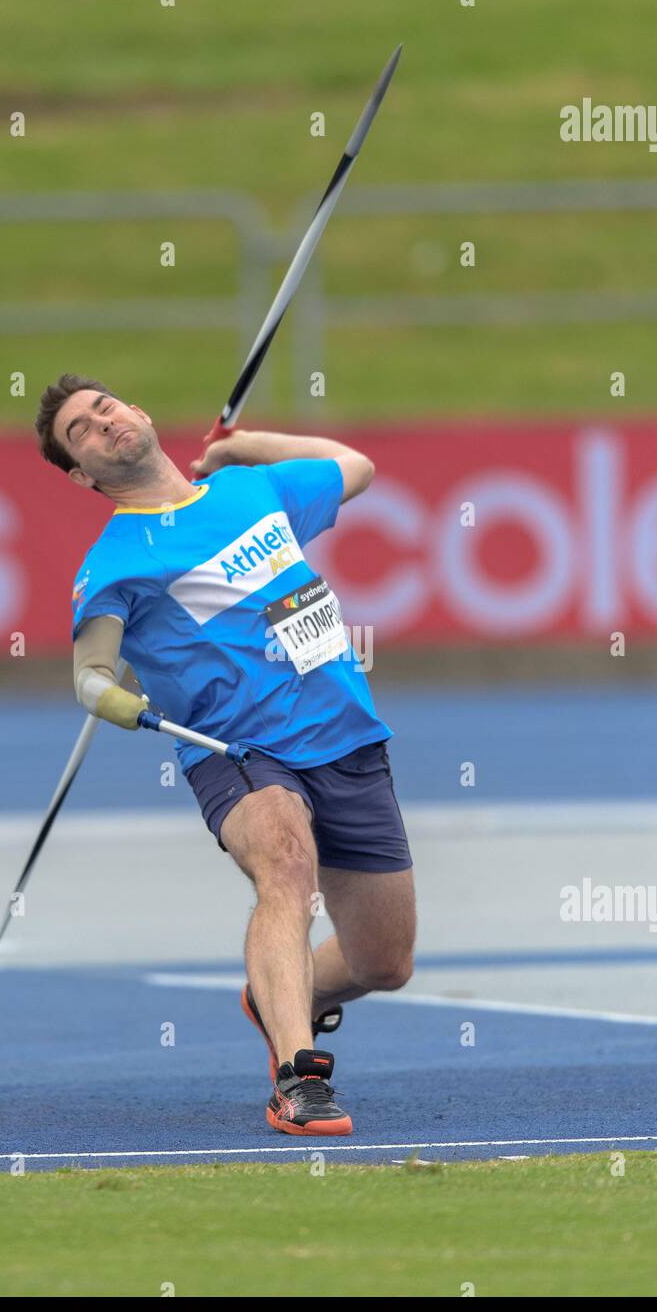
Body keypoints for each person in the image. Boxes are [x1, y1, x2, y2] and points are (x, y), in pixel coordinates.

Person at [35, 373, 416, 1136]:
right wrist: (113, 698)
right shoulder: (114, 564)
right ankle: (298, 1082)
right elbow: (90, 673)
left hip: (346, 735)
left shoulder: (254, 490)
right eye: (81, 430)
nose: (102, 423)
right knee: (285, 867)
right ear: (83, 475)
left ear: (138, 412)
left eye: (105, 406)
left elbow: (355, 467)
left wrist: (243, 446)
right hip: (236, 747)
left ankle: (276, 996)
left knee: (383, 963)